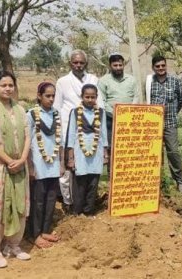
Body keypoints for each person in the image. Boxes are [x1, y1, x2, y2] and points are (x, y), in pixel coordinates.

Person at [0, 71, 32, 268]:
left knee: (19, 204)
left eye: (11, 85)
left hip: (19, 165)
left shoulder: (19, 108)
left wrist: (23, 158)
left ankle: (13, 244)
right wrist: (10, 160)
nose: (8, 88)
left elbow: (27, 136)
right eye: (3, 85)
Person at [53, 50, 100, 212]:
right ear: (70, 63)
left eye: (81, 63)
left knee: (87, 165)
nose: (78, 65)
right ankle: (68, 201)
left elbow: (97, 103)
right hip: (68, 128)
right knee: (68, 167)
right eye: (75, 62)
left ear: (86, 64)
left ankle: (87, 203)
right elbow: (57, 107)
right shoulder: (62, 82)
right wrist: (57, 130)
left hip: (89, 129)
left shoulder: (93, 79)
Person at [26, 82, 64, 248]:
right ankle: (34, 234)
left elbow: (60, 140)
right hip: (38, 164)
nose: (50, 99)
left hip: (53, 164)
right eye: (47, 96)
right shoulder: (31, 114)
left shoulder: (56, 114)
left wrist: (62, 163)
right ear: (39, 96)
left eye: (53, 96)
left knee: (50, 199)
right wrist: (31, 166)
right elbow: (27, 143)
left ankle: (45, 230)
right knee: (37, 201)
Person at [65, 84, 109, 216]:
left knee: (93, 182)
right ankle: (77, 212)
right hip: (80, 152)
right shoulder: (75, 112)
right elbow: (71, 135)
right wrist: (71, 158)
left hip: (96, 152)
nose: (90, 100)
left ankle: (89, 211)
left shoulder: (101, 112)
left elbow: (103, 134)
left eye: (93, 97)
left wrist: (105, 154)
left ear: (96, 97)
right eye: (87, 97)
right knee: (80, 183)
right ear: (82, 97)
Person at [148, 56, 182, 193]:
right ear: (153, 67)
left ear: (166, 66)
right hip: (153, 125)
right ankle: (156, 182)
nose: (160, 68)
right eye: (157, 66)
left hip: (170, 122)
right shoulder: (149, 82)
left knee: (173, 152)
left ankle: (180, 182)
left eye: (163, 65)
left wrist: (173, 112)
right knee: (154, 153)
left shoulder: (175, 81)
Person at [99, 53, 138, 146]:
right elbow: (102, 101)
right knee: (112, 146)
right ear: (110, 66)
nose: (118, 68)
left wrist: (129, 113)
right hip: (110, 119)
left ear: (123, 65)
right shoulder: (103, 80)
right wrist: (116, 114)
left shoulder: (131, 79)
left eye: (120, 65)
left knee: (128, 145)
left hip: (129, 119)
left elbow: (136, 97)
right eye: (115, 65)